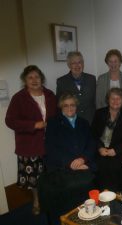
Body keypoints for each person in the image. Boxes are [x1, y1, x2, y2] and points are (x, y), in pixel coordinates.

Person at [5, 65, 57, 215]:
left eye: (37, 77)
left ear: (42, 79)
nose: (34, 80)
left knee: (50, 174)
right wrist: (33, 125)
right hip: (30, 145)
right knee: (34, 178)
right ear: (25, 80)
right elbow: (10, 121)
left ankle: (50, 198)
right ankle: (36, 200)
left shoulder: (50, 94)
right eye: (30, 77)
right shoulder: (19, 98)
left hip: (50, 143)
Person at [41, 93, 96, 224]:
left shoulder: (84, 122)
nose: (69, 108)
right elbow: (51, 148)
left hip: (83, 164)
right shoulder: (53, 122)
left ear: (76, 106)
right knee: (67, 188)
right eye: (65, 105)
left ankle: (84, 217)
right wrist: (70, 163)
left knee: (87, 181)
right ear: (61, 107)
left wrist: (83, 159)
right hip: (61, 166)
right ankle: (68, 218)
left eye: (72, 105)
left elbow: (91, 144)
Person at [91, 88, 122, 192]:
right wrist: (99, 148)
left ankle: (114, 198)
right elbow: (93, 135)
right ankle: (103, 197)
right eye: (112, 98)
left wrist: (116, 150)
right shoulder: (99, 113)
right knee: (100, 165)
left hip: (120, 153)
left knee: (114, 167)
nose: (115, 101)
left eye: (118, 98)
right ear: (108, 100)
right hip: (102, 151)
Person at [56, 51, 96, 123]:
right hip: (71, 121)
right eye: (74, 63)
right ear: (69, 65)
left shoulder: (92, 79)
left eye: (79, 62)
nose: (77, 65)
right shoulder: (61, 82)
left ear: (83, 64)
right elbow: (59, 104)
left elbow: (95, 101)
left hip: (91, 121)